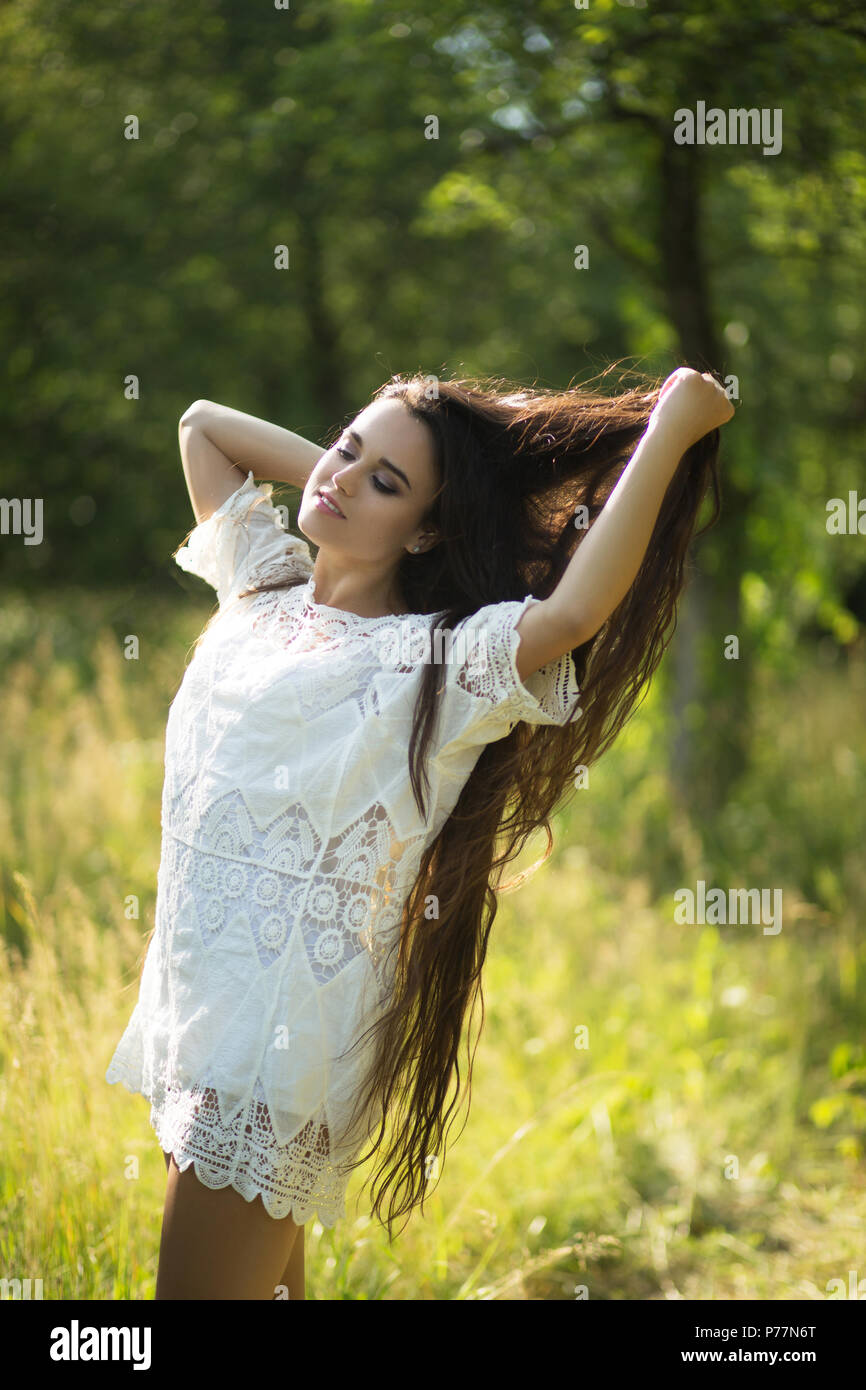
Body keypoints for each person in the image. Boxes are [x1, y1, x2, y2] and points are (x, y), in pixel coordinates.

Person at [106, 364, 734, 1299]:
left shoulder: (435, 665)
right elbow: (203, 424)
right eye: (345, 452)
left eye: (385, 484)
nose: (341, 477)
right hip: (198, 1025)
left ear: (430, 528)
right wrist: (369, 480)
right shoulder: (261, 590)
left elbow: (570, 613)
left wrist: (671, 431)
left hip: (272, 1056)